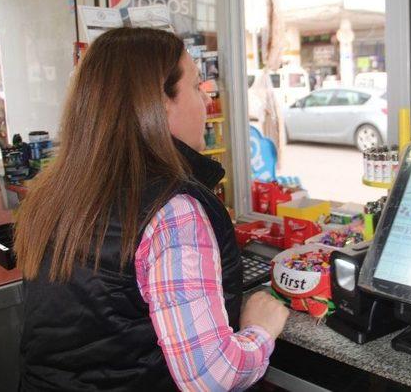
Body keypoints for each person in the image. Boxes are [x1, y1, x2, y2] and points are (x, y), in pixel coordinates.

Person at [15, 27, 289, 391]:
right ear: (160, 104)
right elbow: (211, 377)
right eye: (196, 86)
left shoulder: (53, 191)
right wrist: (260, 328)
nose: (207, 101)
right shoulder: (173, 210)